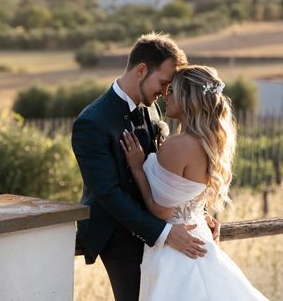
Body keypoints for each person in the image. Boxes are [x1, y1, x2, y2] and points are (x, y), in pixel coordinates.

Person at [72, 33, 220, 301]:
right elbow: (108, 193)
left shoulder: (152, 110)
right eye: (164, 83)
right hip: (120, 236)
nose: (165, 94)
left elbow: (173, 175)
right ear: (141, 70)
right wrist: (164, 233)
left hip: (163, 226)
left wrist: (197, 212)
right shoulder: (92, 123)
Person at [120, 64, 268, 300]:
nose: (165, 96)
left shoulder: (178, 145)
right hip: (198, 236)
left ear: (188, 99)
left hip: (176, 249)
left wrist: (137, 168)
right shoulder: (210, 142)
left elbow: (160, 212)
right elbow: (188, 195)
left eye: (172, 91)